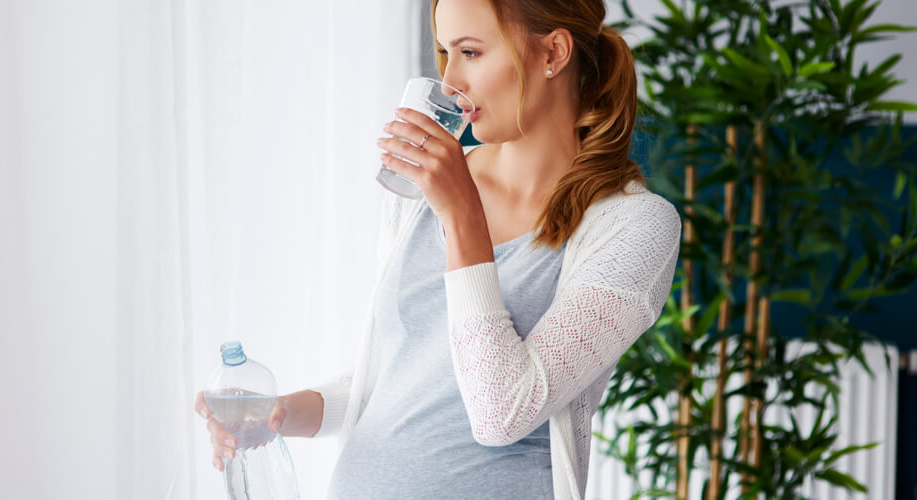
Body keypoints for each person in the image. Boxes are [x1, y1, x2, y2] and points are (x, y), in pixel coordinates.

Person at [195, 0, 681, 497]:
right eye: (446, 53)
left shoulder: (633, 227)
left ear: (553, 52)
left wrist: (462, 214)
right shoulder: (424, 194)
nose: (451, 83)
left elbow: (501, 414)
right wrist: (276, 415)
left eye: (471, 52)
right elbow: (401, 380)